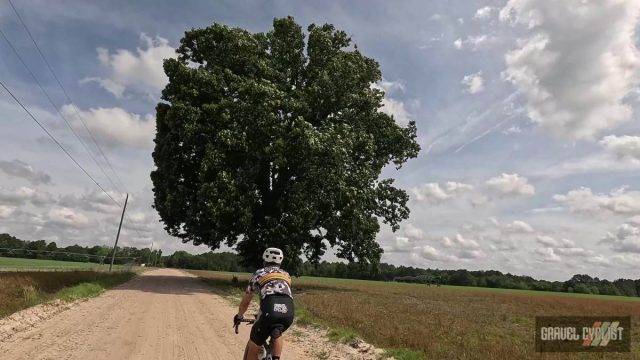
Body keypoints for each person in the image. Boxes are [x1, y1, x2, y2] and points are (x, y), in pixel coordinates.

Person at [234, 247, 294, 360]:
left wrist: (239, 316)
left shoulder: (259, 273)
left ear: (264, 260)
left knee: (254, 344)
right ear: (280, 262)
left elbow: (246, 300)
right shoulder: (286, 275)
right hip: (288, 311)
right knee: (277, 330)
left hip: (269, 310)